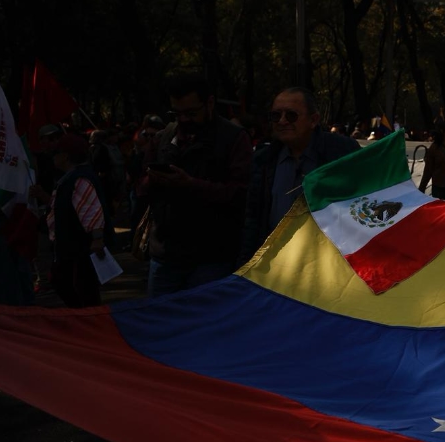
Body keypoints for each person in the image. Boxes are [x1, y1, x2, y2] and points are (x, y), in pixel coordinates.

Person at [146, 73, 252, 297]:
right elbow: (142, 186)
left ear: (210, 103)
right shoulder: (165, 136)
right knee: (160, 317)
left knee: (204, 317)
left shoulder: (233, 138)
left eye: (191, 113)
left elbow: (241, 193)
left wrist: (191, 184)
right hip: (166, 254)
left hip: (211, 257)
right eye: (176, 113)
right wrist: (151, 181)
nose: (183, 120)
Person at [239, 88, 360, 265]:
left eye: (291, 115)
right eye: (276, 116)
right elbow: (253, 220)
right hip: (275, 264)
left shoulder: (342, 152)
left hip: (329, 263)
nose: (282, 121)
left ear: (313, 120)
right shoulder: (263, 160)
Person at [40, 134, 114, 307]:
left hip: (78, 249)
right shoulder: (71, 178)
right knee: (67, 283)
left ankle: (88, 321)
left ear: (65, 156)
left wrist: (97, 238)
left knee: (81, 290)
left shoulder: (79, 179)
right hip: (71, 248)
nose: (53, 157)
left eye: (56, 153)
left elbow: (92, 210)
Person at [418, 121, 445, 201]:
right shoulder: (435, 148)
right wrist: (421, 189)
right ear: (443, 131)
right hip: (439, 186)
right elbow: (428, 170)